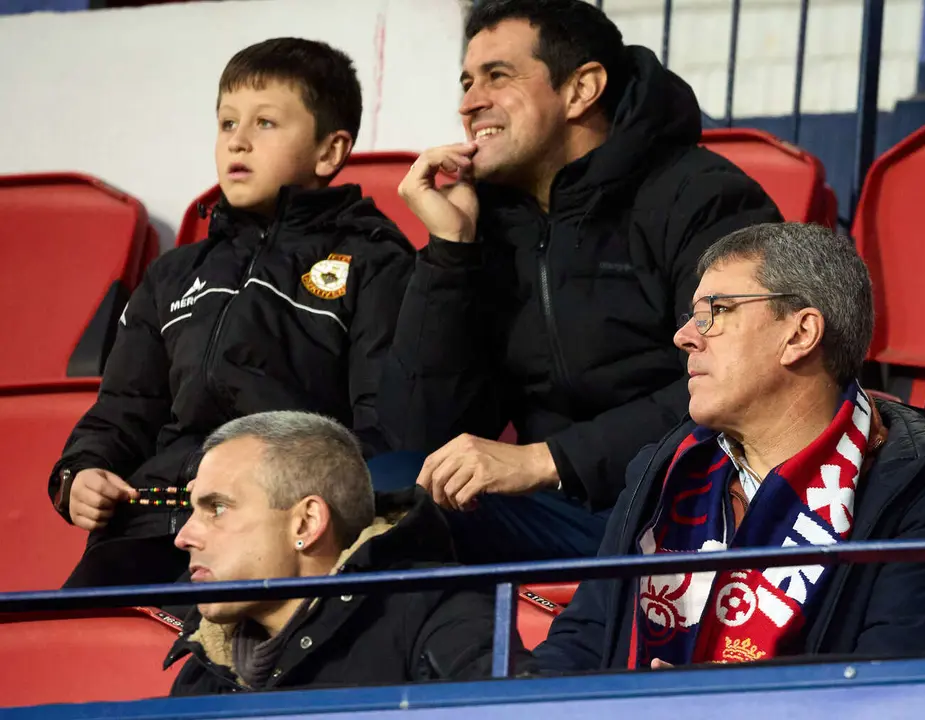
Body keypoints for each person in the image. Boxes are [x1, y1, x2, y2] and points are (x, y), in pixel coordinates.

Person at [378, 0, 783, 563]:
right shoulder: (488, 223)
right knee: (374, 488)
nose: (470, 103)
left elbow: (741, 379)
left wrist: (549, 460)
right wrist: (449, 252)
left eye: (497, 76)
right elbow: (419, 436)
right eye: (467, 82)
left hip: (688, 509)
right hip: (559, 513)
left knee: (389, 504)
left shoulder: (702, 196)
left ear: (581, 89)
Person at [533, 223, 925, 672]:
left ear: (800, 334)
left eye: (713, 312)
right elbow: (585, 635)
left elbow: (887, 689)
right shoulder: (662, 467)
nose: (685, 337)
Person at [51, 38, 414, 588]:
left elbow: (381, 432)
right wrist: (79, 474)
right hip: (150, 528)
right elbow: (124, 409)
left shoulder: (375, 262)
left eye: (266, 123)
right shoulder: (173, 274)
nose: (238, 141)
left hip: (279, 530)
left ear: (329, 151)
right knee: (62, 643)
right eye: (226, 124)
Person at [165, 411, 531, 694]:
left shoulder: (438, 614)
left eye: (217, 508)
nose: (184, 537)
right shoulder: (204, 664)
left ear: (306, 524)